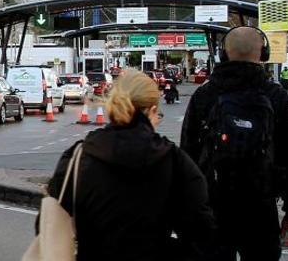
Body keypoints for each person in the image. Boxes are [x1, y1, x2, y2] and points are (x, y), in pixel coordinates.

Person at [44, 70, 215, 260]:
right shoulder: (174, 161)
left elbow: (48, 226)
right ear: (151, 111)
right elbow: (202, 233)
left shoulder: (77, 158)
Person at [181, 26, 288, 261]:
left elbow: (187, 155)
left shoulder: (205, 95)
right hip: (261, 206)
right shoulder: (277, 96)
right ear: (263, 53)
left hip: (213, 205)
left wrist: (187, 210)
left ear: (223, 54)